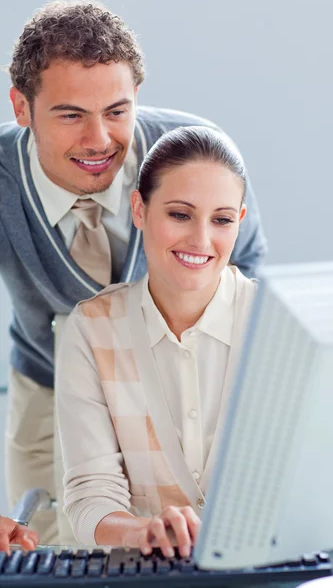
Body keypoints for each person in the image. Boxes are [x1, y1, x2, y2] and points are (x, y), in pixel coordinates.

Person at [0, 0, 266, 544]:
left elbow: (248, 277)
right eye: (71, 114)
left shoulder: (194, 160)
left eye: (117, 111)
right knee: (46, 547)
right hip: (48, 373)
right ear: (21, 107)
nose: (100, 140)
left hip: (177, 368)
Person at [56, 125, 257, 556]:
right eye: (180, 214)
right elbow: (91, 497)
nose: (201, 240)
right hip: (143, 577)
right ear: (140, 209)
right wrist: (141, 532)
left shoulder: (276, 324)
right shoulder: (92, 329)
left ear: (238, 222)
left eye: (221, 219)